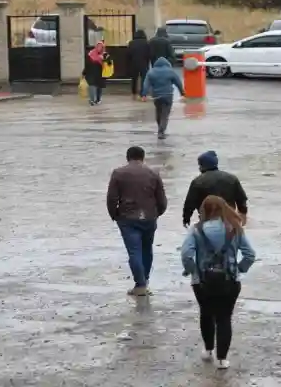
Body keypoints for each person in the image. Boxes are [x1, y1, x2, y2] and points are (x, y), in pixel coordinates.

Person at [180, 195, 256, 370]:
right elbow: (250, 254)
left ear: (203, 211)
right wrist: (240, 268)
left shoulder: (196, 230)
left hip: (202, 281)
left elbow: (186, 255)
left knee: (206, 314)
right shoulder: (235, 228)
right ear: (224, 209)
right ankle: (222, 359)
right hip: (230, 280)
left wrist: (192, 270)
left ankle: (208, 350)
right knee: (224, 317)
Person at [107, 146, 168, 296]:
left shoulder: (118, 173)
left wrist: (114, 214)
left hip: (127, 218)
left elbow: (112, 198)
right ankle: (144, 280)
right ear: (143, 157)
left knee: (134, 251)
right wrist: (158, 212)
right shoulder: (153, 173)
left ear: (128, 157)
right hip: (149, 217)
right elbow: (161, 198)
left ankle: (140, 284)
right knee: (147, 249)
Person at [183, 151, 248, 228]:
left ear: (203, 166)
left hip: (207, 222)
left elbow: (189, 204)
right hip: (230, 221)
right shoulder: (232, 179)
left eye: (200, 165)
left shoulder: (197, 182)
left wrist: (186, 219)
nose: (199, 168)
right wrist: (242, 216)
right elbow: (241, 200)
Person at [141, 57, 185, 139]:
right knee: (165, 114)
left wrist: (144, 95)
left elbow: (146, 84)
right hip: (168, 95)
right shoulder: (170, 71)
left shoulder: (151, 72)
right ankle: (161, 131)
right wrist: (182, 93)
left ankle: (160, 128)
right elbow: (178, 82)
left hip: (156, 96)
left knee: (158, 112)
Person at [127, 29, 152, 100]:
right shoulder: (146, 43)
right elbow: (149, 54)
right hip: (144, 63)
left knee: (134, 79)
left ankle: (134, 94)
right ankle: (143, 95)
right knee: (144, 79)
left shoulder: (131, 43)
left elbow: (128, 54)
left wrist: (129, 62)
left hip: (133, 63)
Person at [85, 41, 107, 105]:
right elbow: (87, 63)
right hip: (91, 72)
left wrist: (104, 60)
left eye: (101, 46)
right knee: (91, 85)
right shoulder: (91, 53)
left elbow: (109, 64)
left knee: (99, 86)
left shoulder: (105, 54)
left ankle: (98, 99)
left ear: (103, 47)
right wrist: (84, 72)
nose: (99, 48)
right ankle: (92, 100)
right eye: (98, 46)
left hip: (101, 73)